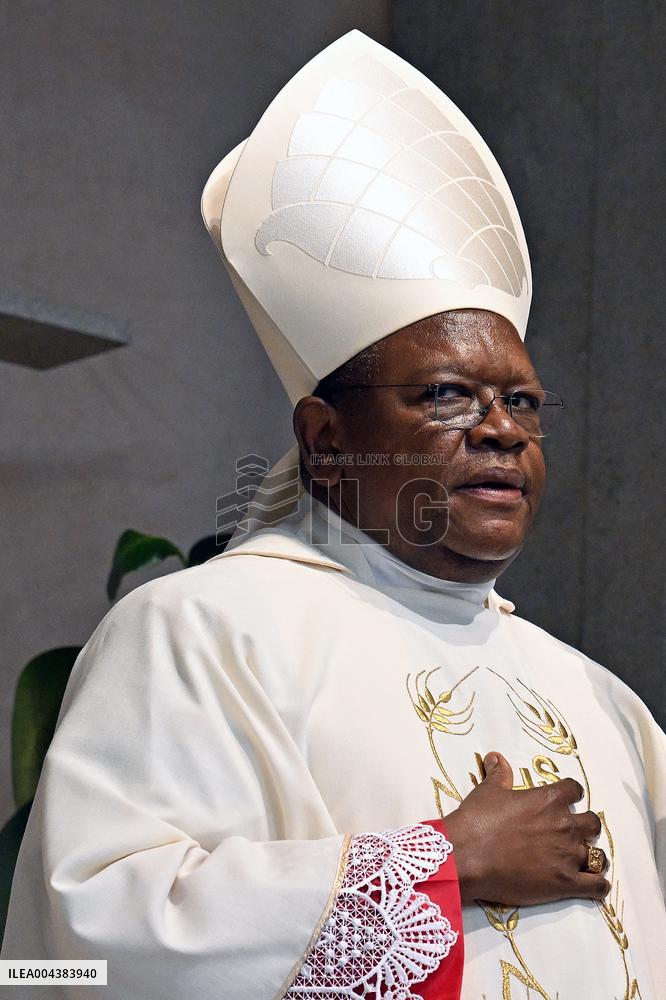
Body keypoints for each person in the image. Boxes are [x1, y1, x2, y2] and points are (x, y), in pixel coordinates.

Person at [2, 28, 664, 1000]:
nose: (500, 430)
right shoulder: (197, 634)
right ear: (323, 437)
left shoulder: (602, 701)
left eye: (523, 403)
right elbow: (81, 952)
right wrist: (441, 866)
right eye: (447, 395)